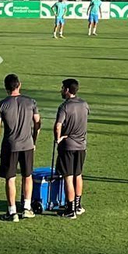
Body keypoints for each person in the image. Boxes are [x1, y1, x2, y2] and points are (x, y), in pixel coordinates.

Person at [0, 73, 41, 221]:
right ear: (19, 85)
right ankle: (26, 207)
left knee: (10, 178)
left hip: (10, 145)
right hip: (27, 145)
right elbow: (37, 123)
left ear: (5, 87)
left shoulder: (1, 104)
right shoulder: (31, 102)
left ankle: (12, 211)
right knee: (27, 176)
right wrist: (34, 141)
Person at [54, 78, 89, 218]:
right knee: (78, 175)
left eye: (62, 88)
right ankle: (78, 205)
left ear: (67, 90)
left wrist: (58, 138)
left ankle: (70, 209)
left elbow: (58, 125)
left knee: (68, 177)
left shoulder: (65, 107)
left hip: (68, 146)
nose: (61, 90)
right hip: (81, 145)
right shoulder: (84, 104)